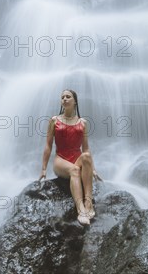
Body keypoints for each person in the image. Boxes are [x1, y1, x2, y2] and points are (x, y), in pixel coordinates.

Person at [39, 89, 102, 226]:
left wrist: (93, 169)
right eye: (62, 97)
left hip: (77, 158)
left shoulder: (83, 123)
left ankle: (88, 203)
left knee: (85, 156)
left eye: (68, 97)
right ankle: (81, 210)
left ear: (75, 101)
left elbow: (86, 148)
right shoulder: (54, 121)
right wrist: (43, 169)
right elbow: (48, 146)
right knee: (74, 170)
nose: (65, 99)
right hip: (60, 159)